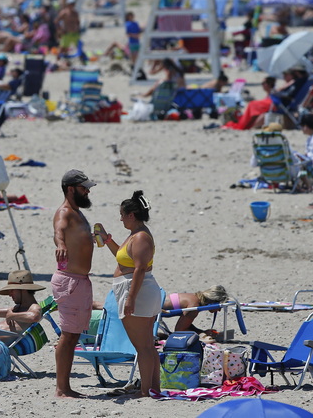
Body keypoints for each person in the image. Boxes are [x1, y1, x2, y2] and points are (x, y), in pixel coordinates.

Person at [95, 190, 161, 398]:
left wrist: (130, 298)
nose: (120, 218)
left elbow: (140, 269)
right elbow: (124, 259)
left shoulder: (140, 237)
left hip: (137, 291)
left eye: (122, 214)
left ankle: (145, 392)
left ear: (131, 215)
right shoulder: (136, 234)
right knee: (147, 345)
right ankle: (153, 388)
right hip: (138, 290)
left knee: (143, 347)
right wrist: (107, 240)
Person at [52, 169, 97, 398]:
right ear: (71, 189)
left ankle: (64, 386)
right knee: (68, 336)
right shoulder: (65, 212)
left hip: (79, 280)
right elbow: (58, 230)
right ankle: (62, 388)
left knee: (73, 335)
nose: (88, 191)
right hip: (70, 281)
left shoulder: (78, 212)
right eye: (83, 188)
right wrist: (60, 244)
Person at [161, 286, 229, 334]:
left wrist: (202, 331)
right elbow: (179, 330)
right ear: (213, 302)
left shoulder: (194, 297)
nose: (219, 310)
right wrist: (202, 334)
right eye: (220, 307)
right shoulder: (194, 307)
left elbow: (185, 324)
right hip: (153, 310)